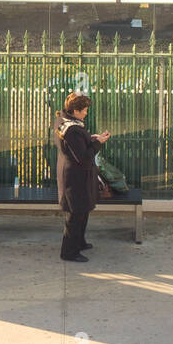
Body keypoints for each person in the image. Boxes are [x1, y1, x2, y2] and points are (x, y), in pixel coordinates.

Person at [54, 93, 110, 263]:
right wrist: (98, 142)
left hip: (74, 174)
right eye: (84, 110)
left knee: (82, 210)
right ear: (76, 111)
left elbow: (76, 147)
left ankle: (79, 242)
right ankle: (69, 251)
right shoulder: (72, 130)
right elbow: (84, 157)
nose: (86, 113)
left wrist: (90, 138)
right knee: (75, 213)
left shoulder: (64, 121)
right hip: (75, 177)